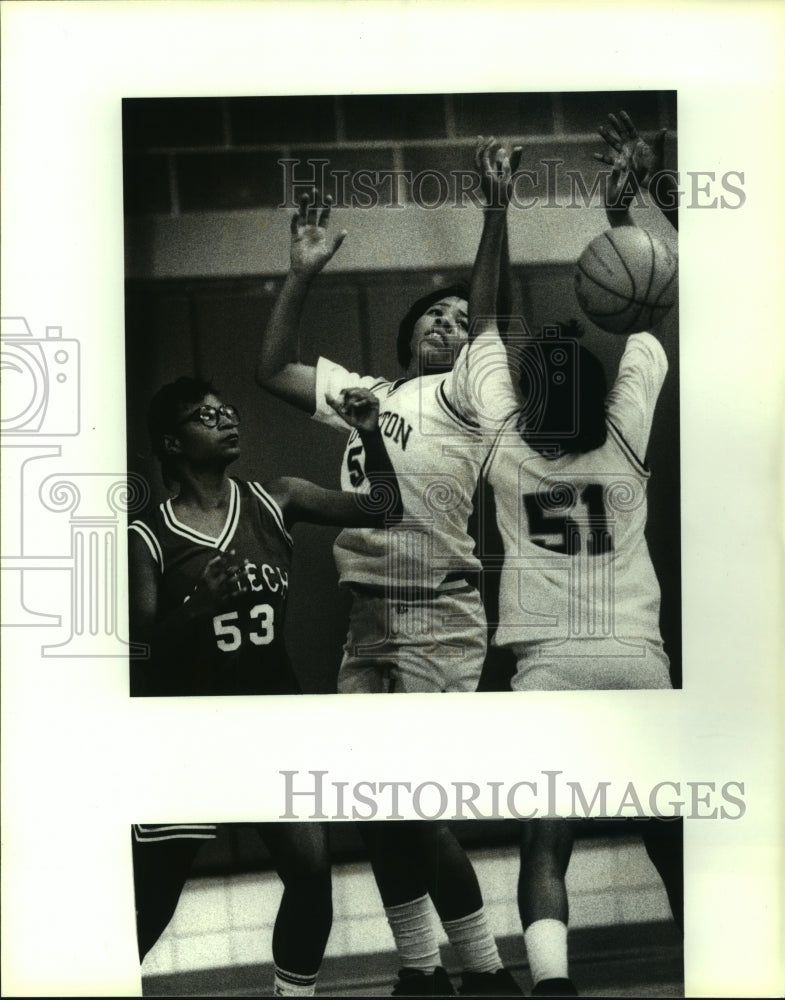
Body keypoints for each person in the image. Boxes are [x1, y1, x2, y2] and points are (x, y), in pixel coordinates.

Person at [255, 194, 521, 996]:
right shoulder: (373, 394)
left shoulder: (469, 396)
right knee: (376, 804)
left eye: (455, 316)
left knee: (417, 805)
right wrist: (299, 274)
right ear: (406, 339)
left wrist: (494, 212)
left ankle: (484, 972)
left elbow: (483, 317)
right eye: (431, 318)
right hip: (368, 616)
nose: (446, 324)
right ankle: (420, 971)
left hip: (436, 611)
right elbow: (271, 370)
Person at [464, 124, 681, 997]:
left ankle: (553, 985)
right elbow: (653, 306)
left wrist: (494, 203)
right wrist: (623, 209)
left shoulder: (504, 446)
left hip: (547, 668)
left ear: (525, 396)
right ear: (597, 394)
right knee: (672, 835)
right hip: (636, 662)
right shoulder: (624, 437)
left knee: (545, 838)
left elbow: (483, 318)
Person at [128, 376, 402, 997]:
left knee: (311, 875)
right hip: (189, 733)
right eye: (206, 416)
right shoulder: (148, 538)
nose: (227, 419)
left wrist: (367, 433)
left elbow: (384, 507)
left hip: (275, 722)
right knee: (155, 895)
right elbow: (139, 650)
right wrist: (200, 604)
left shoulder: (278, 498)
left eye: (227, 411)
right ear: (172, 443)